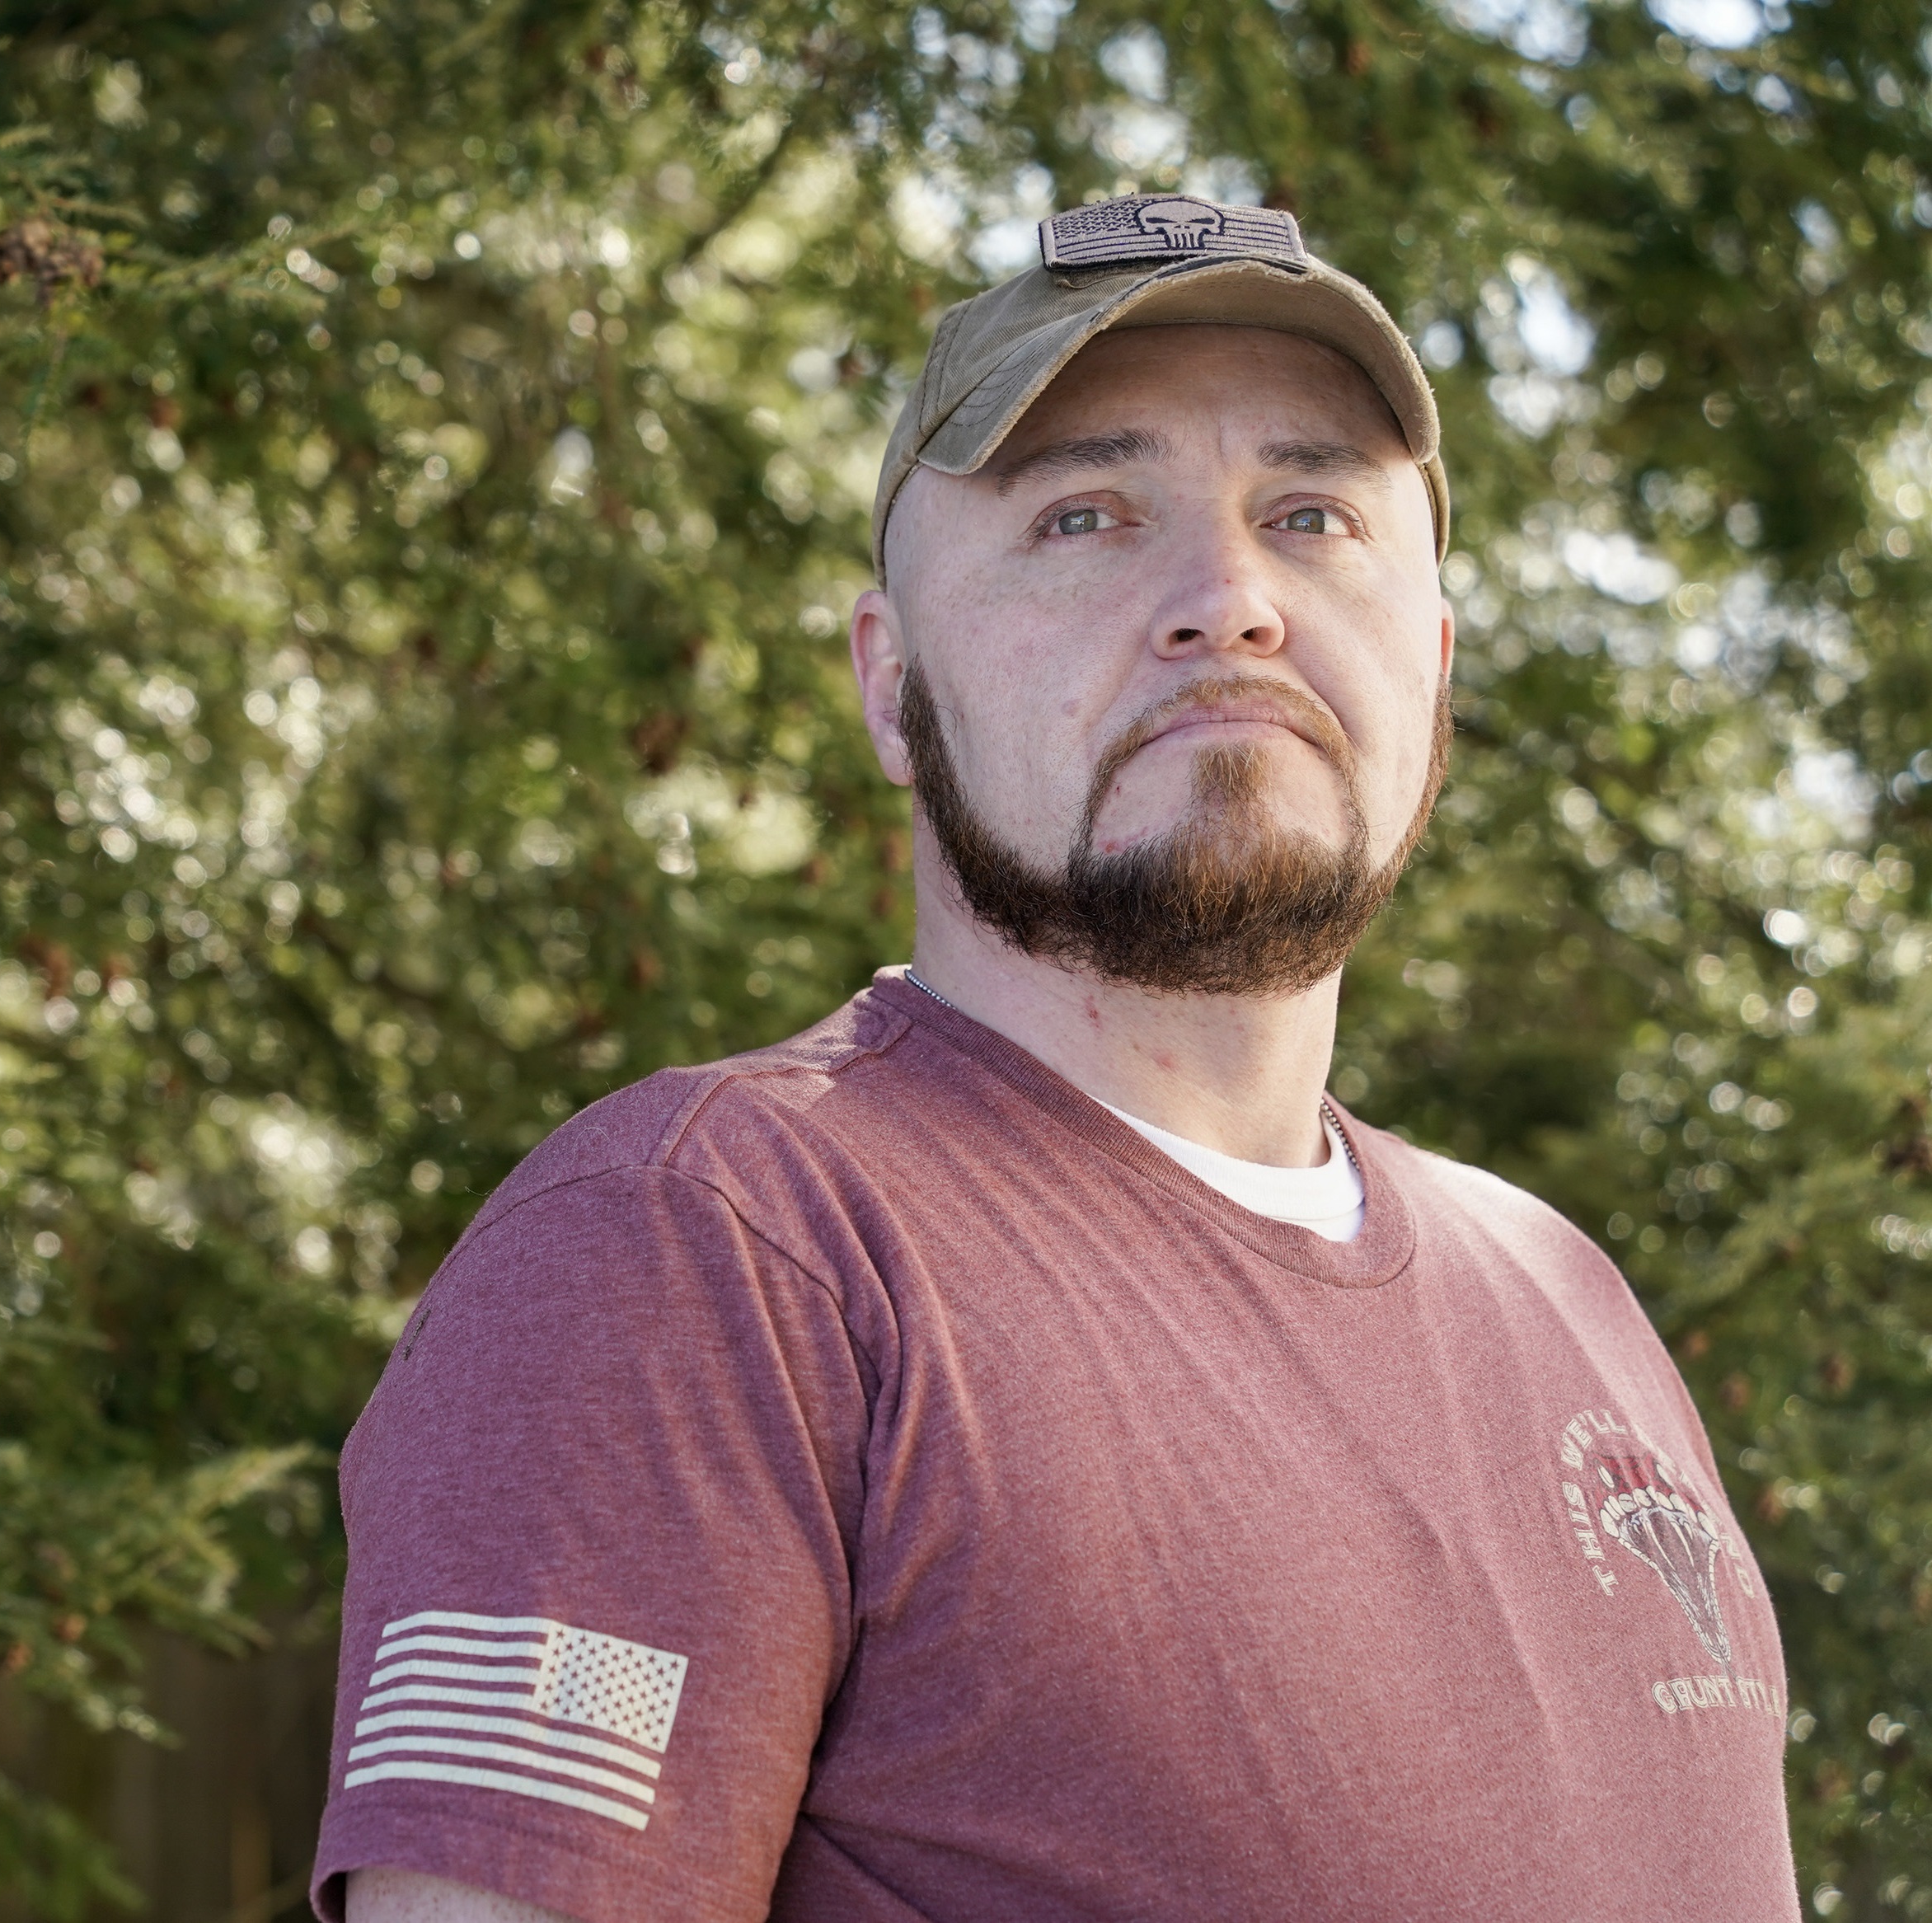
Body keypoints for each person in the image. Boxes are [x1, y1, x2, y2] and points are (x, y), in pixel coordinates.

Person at [309, 190, 1798, 1923]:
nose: (1227, 601)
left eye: (1310, 515)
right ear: (889, 685)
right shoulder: (699, 1253)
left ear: (1437, 664)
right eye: (1084, 516)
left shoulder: (1560, 1293)